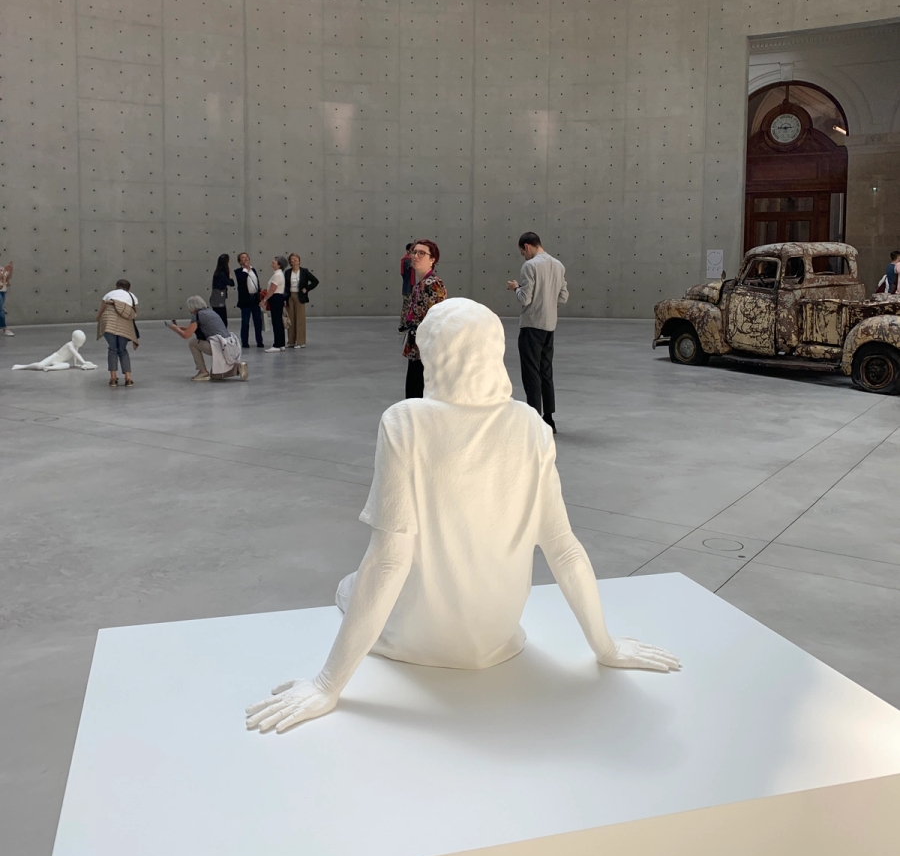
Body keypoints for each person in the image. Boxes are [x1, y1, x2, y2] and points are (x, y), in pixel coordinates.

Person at [246, 299, 679, 734]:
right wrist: (605, 647)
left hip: (419, 641)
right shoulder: (532, 426)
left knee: (349, 585)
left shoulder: (405, 423)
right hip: (497, 640)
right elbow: (563, 549)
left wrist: (327, 685)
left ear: (434, 355)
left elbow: (389, 561)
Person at [507, 232, 568, 434]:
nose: (523, 256)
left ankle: (534, 418)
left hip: (532, 324)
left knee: (531, 373)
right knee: (546, 371)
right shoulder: (558, 265)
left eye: (522, 252)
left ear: (527, 246)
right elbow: (564, 296)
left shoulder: (530, 266)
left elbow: (525, 298)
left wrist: (516, 288)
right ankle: (549, 419)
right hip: (550, 325)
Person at [400, 239, 446, 398]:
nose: (416, 256)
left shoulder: (433, 284)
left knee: (418, 395)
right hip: (417, 347)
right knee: (413, 393)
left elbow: (437, 319)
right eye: (414, 252)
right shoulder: (420, 285)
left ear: (432, 259)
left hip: (427, 350)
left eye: (422, 253)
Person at [168, 296, 248, 382]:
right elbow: (197, 329)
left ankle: (203, 372)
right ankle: (237, 368)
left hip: (218, 346)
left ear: (192, 307)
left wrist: (176, 329)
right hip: (228, 345)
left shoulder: (197, 315)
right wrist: (181, 329)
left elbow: (186, 335)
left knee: (192, 343)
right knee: (215, 376)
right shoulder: (211, 312)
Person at [96, 280, 139, 387]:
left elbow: (101, 310)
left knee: (112, 349)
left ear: (116, 286)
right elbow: (133, 314)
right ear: (129, 288)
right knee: (122, 350)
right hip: (124, 325)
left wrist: (98, 319)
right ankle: (128, 378)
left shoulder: (109, 294)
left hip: (108, 323)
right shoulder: (132, 296)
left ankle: (113, 378)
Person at [12, 330, 97, 371]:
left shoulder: (76, 345)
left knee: (67, 365)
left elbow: (75, 355)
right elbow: (76, 354)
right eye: (79, 342)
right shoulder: (69, 345)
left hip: (59, 362)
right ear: (73, 339)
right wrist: (84, 362)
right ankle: (23, 366)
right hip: (54, 357)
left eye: (82, 343)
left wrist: (76, 364)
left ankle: (49, 368)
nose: (80, 344)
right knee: (39, 366)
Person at [285, 252, 319, 349]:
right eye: (292, 259)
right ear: (290, 262)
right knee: (290, 319)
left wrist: (307, 289)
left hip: (300, 296)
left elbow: (315, 281)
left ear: (299, 261)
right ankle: (291, 341)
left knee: (300, 319)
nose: (295, 260)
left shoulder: (304, 271)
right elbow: (285, 285)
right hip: (290, 296)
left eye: (296, 258)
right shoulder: (287, 272)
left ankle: (301, 342)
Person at [235, 253, 264, 349]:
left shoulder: (253, 270)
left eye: (246, 257)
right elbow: (242, 281)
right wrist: (245, 269)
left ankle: (259, 341)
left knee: (258, 321)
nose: (246, 259)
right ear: (240, 261)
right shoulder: (239, 272)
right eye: (243, 258)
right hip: (245, 300)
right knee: (245, 321)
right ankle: (244, 342)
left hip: (255, 298)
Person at [264, 256, 288, 353]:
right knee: (278, 321)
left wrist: (264, 299)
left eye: (275, 260)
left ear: (279, 264)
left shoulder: (277, 275)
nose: (273, 261)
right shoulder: (278, 274)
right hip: (278, 298)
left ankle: (277, 344)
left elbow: (272, 290)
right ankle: (281, 344)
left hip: (276, 298)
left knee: (276, 322)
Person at [210, 254, 235, 327]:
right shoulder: (222, 274)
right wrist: (230, 276)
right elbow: (231, 283)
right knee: (222, 320)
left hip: (216, 298)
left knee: (219, 318)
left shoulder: (217, 273)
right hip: (219, 299)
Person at [0, 259, 13, 335]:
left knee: (1, 309)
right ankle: (5, 329)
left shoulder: (1, 267)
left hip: (3, 290)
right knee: (1, 309)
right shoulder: (3, 268)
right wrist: (5, 269)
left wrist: (10, 270)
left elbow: (8, 278)